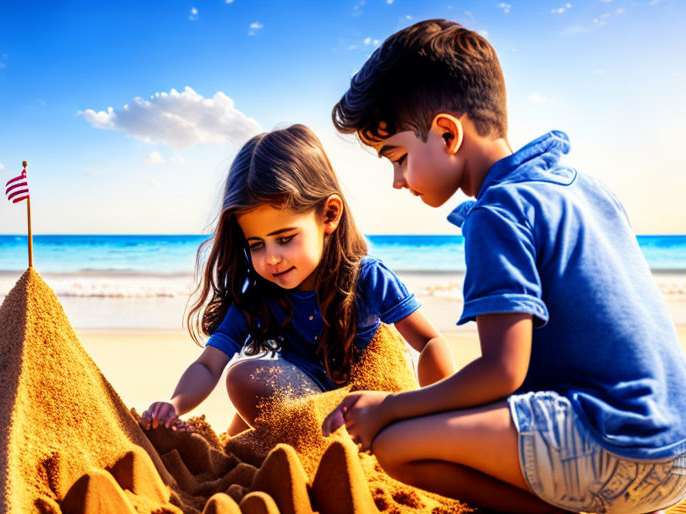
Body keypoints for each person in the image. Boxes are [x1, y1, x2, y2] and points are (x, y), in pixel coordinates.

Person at [324, 19, 686, 514]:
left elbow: (502, 372)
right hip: (684, 439)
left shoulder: (496, 215)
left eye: (397, 157)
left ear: (448, 134)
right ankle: (627, 508)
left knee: (397, 445)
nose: (399, 181)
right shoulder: (583, 186)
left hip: (625, 451)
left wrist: (392, 407)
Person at [141, 124, 455, 440]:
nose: (271, 258)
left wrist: (431, 411)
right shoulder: (259, 297)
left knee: (248, 393)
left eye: (285, 238)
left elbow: (430, 342)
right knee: (243, 384)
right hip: (305, 405)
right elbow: (209, 366)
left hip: (367, 410)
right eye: (256, 244)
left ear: (329, 215)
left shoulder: (367, 278)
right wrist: (175, 404)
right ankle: (271, 438)